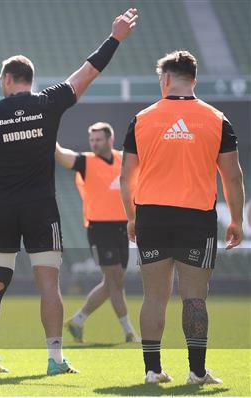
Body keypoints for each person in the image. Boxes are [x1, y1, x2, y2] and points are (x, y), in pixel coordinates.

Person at [0, 9, 138, 375]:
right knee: (49, 284)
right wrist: (115, 37)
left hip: (3, 209)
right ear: (30, 79)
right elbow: (88, 72)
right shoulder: (48, 102)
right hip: (41, 209)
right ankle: (55, 359)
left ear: (9, 79)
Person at [120, 50, 244, 385]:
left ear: (165, 79)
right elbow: (233, 177)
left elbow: (126, 176)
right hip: (196, 219)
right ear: (194, 80)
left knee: (154, 297)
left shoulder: (142, 118)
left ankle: (151, 370)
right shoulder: (217, 119)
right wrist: (236, 220)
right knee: (194, 297)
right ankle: (197, 372)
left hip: (152, 216)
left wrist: (132, 217)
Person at [55, 122, 139, 343]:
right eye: (92, 139)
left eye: (98, 139)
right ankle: (128, 331)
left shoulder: (124, 159)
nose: (94, 143)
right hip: (100, 228)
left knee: (114, 281)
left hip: (122, 227)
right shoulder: (86, 162)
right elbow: (62, 155)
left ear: (110, 139)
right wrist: (47, 132)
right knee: (114, 280)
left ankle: (78, 320)